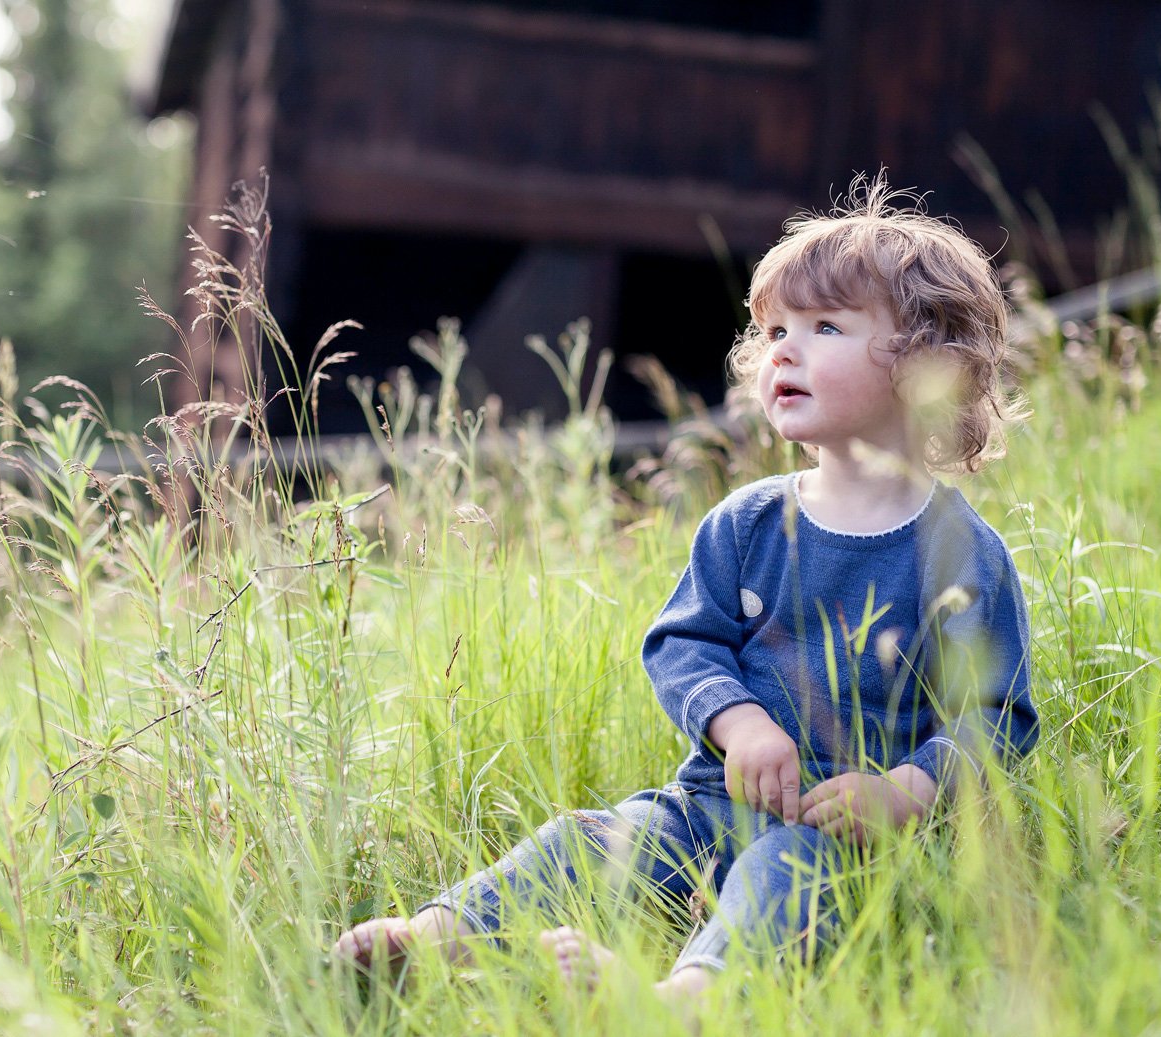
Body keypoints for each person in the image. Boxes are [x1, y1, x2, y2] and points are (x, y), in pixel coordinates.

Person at [332, 177, 1040, 1015]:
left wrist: (905, 790)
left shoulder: (961, 555)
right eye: (774, 329)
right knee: (586, 840)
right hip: (706, 806)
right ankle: (437, 939)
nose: (783, 349)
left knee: (781, 878)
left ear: (927, 364)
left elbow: (995, 718)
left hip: (843, 837)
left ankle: (687, 999)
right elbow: (682, 644)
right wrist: (740, 725)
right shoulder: (747, 522)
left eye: (824, 327)